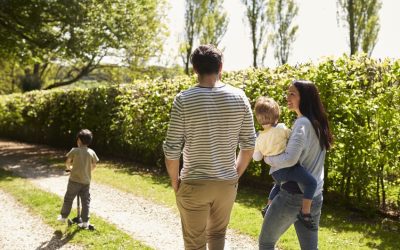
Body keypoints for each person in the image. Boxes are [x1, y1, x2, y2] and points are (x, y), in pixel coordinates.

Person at [163, 44, 256, 250]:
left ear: (194, 69)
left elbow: (171, 150)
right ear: (221, 66)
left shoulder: (184, 100)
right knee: (217, 235)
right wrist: (234, 175)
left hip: (194, 182)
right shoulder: (239, 97)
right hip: (226, 184)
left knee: (195, 244)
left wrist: (174, 181)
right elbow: (249, 145)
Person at [259, 80, 333, 250]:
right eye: (287, 93)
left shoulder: (302, 124)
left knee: (266, 243)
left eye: (292, 94)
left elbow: (290, 159)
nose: (287, 97)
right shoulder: (317, 123)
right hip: (314, 196)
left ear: (304, 98)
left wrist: (268, 159)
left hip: (292, 196)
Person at [253, 96, 317, 230]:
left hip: (276, 172)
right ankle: (305, 212)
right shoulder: (281, 128)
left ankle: (268, 206)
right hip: (288, 168)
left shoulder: (259, 137)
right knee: (311, 182)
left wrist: (265, 153)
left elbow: (257, 157)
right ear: (276, 116)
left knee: (277, 185)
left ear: (258, 119)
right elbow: (294, 137)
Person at [57, 129, 99, 229]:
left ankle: (63, 217)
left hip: (74, 181)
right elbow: (94, 165)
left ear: (79, 140)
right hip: (86, 182)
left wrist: (69, 169)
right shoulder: (91, 152)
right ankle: (85, 222)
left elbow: (68, 162)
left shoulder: (74, 150)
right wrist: (88, 171)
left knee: (69, 198)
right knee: (85, 201)